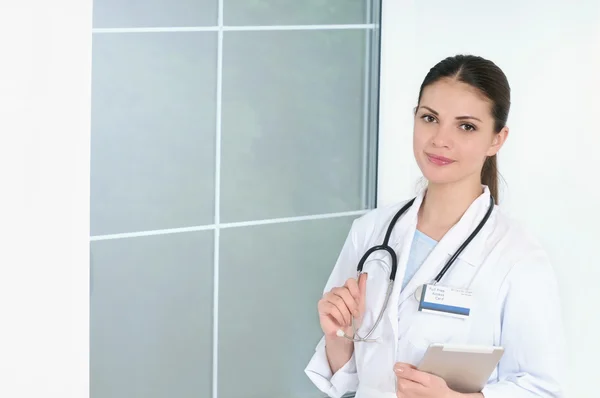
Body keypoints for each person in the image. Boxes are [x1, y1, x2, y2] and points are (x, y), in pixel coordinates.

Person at [304, 54, 566, 398]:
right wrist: (338, 336)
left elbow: (543, 389)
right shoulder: (370, 232)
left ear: (496, 140)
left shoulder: (518, 257)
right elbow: (348, 380)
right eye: (430, 118)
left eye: (466, 126)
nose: (440, 140)